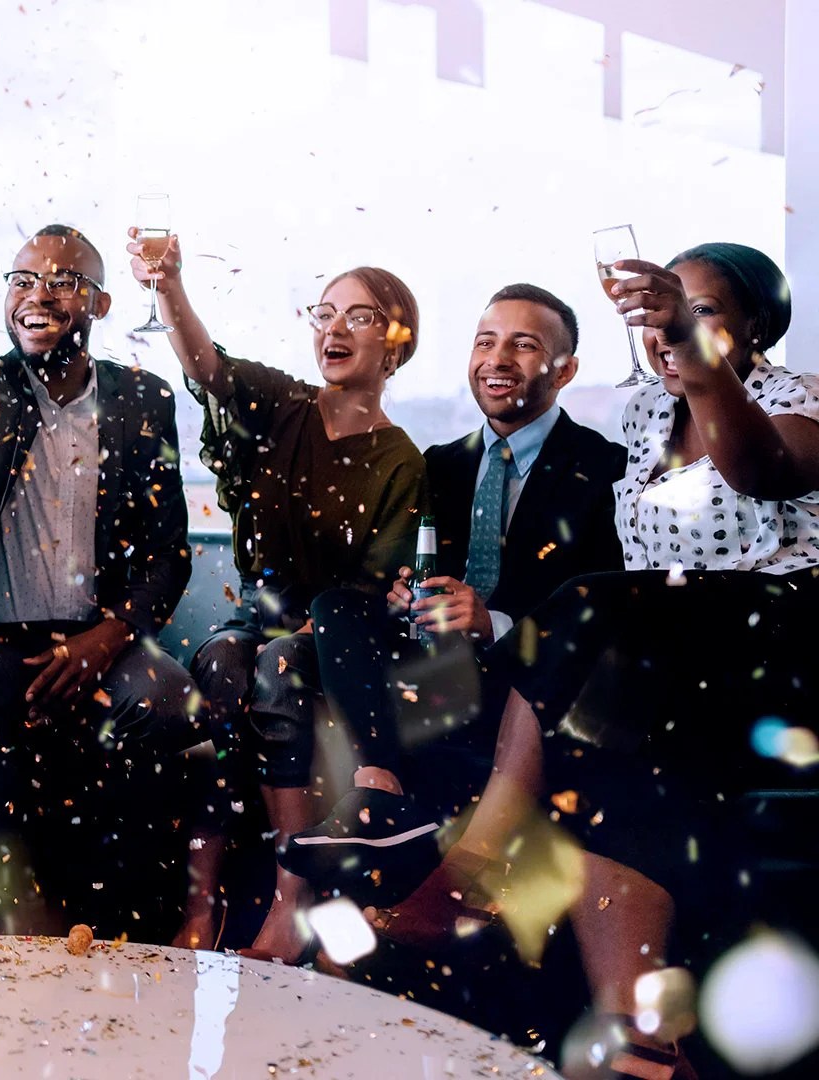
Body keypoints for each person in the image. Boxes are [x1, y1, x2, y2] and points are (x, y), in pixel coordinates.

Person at [388, 244, 818, 1080]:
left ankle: (475, 862)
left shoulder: (793, 398)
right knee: (606, 750)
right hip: (672, 662)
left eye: (701, 311)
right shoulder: (643, 416)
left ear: (754, 327)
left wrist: (693, 350)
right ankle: (643, 1038)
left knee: (592, 603)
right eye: (663, 311)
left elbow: (760, 470)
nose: (669, 328)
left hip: (781, 642)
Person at [0, 220, 215, 942]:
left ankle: (130, 925)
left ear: (99, 304)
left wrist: (110, 637)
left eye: (63, 281)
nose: (39, 295)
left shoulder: (144, 401)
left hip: (99, 637)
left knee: (170, 701)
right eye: (23, 280)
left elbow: (168, 553)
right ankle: (15, 919)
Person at [130, 232, 427, 962]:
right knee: (226, 667)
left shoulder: (403, 462)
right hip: (253, 619)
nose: (333, 327)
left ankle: (292, 902)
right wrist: (168, 287)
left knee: (280, 664)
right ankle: (206, 900)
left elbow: (370, 596)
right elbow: (205, 364)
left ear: (395, 345)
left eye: (357, 316)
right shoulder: (282, 405)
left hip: (331, 638)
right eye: (324, 312)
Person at [283, 284, 627, 902]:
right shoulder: (441, 464)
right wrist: (403, 597)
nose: (497, 359)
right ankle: (376, 781)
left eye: (523, 346)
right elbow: (414, 573)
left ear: (566, 369)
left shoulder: (606, 469)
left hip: (525, 674)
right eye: (485, 342)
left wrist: (491, 620)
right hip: (432, 662)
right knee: (336, 607)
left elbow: (599, 606)